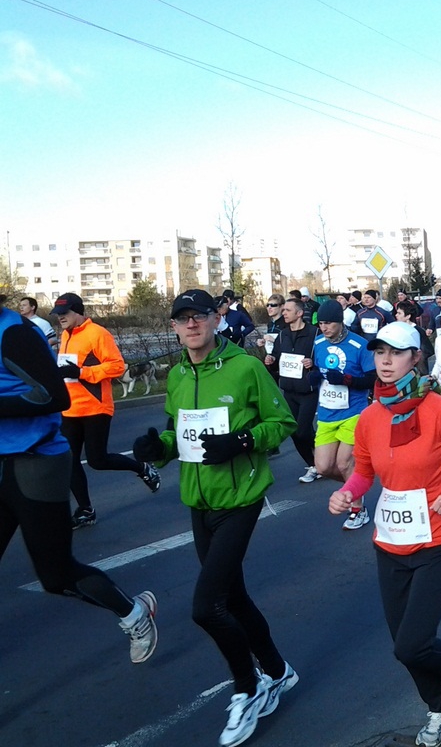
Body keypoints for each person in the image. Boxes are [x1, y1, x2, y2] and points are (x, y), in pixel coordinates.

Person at [131, 289, 298, 747]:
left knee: (206, 608)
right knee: (234, 598)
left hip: (240, 497)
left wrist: (241, 441)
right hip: (199, 500)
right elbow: (178, 435)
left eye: (199, 316)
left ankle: (249, 687)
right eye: (182, 318)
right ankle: (279, 671)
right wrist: (157, 449)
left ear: (215, 319)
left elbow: (282, 422)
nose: (191, 324)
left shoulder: (245, 367)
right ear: (174, 327)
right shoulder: (177, 374)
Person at [328, 322, 441, 747]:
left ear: (416, 358)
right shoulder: (369, 417)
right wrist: (347, 493)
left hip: (439, 542)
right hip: (390, 544)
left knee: (412, 645)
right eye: (380, 352)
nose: (386, 361)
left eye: (396, 352)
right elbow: (364, 472)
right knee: (403, 643)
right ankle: (438, 709)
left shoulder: (438, 409)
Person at [0, 296, 158, 665]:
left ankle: (133, 612)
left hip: (35, 460)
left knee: (56, 576)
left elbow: (53, 395)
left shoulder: (14, 333)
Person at [53, 292, 160, 529]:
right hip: (70, 408)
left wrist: (81, 373)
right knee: (69, 461)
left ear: (78, 312)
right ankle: (86, 510)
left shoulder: (98, 333)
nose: (60, 317)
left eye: (64, 313)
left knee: (97, 460)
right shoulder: (66, 334)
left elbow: (117, 366)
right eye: (57, 314)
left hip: (95, 407)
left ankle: (142, 468)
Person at [312, 299, 377, 530]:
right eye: (321, 323)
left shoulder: (359, 345)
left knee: (344, 462)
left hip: (354, 412)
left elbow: (372, 379)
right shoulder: (318, 343)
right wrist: (313, 375)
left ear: (340, 322)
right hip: (327, 413)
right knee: (323, 467)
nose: (324, 328)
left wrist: (347, 380)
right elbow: (318, 369)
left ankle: (358, 509)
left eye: (329, 323)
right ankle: (358, 483)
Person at [265, 297, 320, 483]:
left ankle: (323, 457)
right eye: (284, 310)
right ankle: (313, 464)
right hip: (289, 390)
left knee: (303, 431)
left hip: (308, 390)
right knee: (294, 431)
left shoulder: (315, 333)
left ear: (299, 313)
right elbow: (276, 361)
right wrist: (271, 362)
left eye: (288, 310)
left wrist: (313, 364)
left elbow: (324, 359)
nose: (284, 313)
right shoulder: (282, 335)